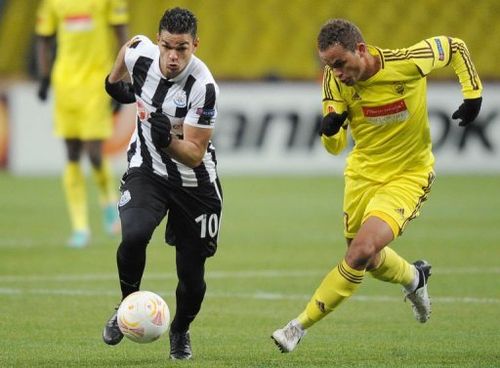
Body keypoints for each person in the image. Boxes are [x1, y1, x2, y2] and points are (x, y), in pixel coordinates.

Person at [272, 19, 482, 353]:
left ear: (361, 49)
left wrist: (473, 94)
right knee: (367, 260)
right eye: (329, 66)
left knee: (359, 252)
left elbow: (454, 46)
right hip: (362, 175)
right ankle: (415, 277)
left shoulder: (409, 62)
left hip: (408, 175)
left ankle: (297, 327)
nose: (336, 73)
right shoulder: (334, 81)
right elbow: (336, 146)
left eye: (340, 63)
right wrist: (330, 130)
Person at [101, 8, 222, 361]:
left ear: (195, 45)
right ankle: (126, 307)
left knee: (191, 277)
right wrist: (114, 83)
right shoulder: (142, 53)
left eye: (182, 48)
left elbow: (195, 154)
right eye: (167, 46)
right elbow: (127, 48)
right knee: (134, 234)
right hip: (147, 170)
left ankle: (180, 330)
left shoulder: (204, 87)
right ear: (158, 41)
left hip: (194, 184)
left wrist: (167, 140)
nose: (173, 57)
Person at [35, 0, 129, 248]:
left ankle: (109, 203)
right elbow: (43, 37)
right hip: (65, 83)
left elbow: (121, 34)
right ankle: (80, 227)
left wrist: (121, 78)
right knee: (72, 154)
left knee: (95, 153)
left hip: (96, 82)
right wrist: (45, 77)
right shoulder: (53, 3)